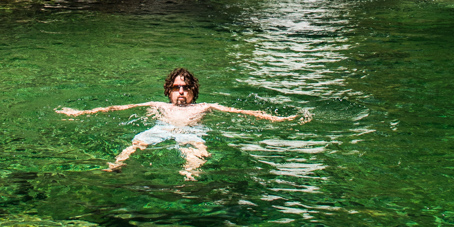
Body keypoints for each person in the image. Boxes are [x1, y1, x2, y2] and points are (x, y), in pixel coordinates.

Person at [56, 66, 310, 181]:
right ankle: (117, 165)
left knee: (198, 150)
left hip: (192, 129)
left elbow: (242, 112)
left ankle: (190, 175)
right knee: (137, 143)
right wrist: (79, 113)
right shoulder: (158, 106)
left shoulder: (204, 107)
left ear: (193, 92)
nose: (180, 92)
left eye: (185, 88)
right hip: (161, 127)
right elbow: (116, 108)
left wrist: (279, 118)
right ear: (168, 91)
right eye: (176, 87)